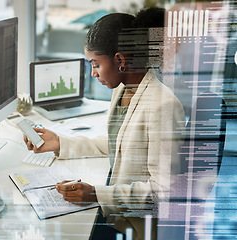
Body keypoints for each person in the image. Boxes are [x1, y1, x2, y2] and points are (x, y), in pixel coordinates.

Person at [24, 10, 185, 240]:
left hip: (135, 227)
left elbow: (163, 193)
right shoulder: (122, 88)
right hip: (115, 213)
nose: (93, 74)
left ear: (120, 60)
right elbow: (118, 144)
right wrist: (60, 143)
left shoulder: (164, 105)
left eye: (96, 64)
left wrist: (96, 194)